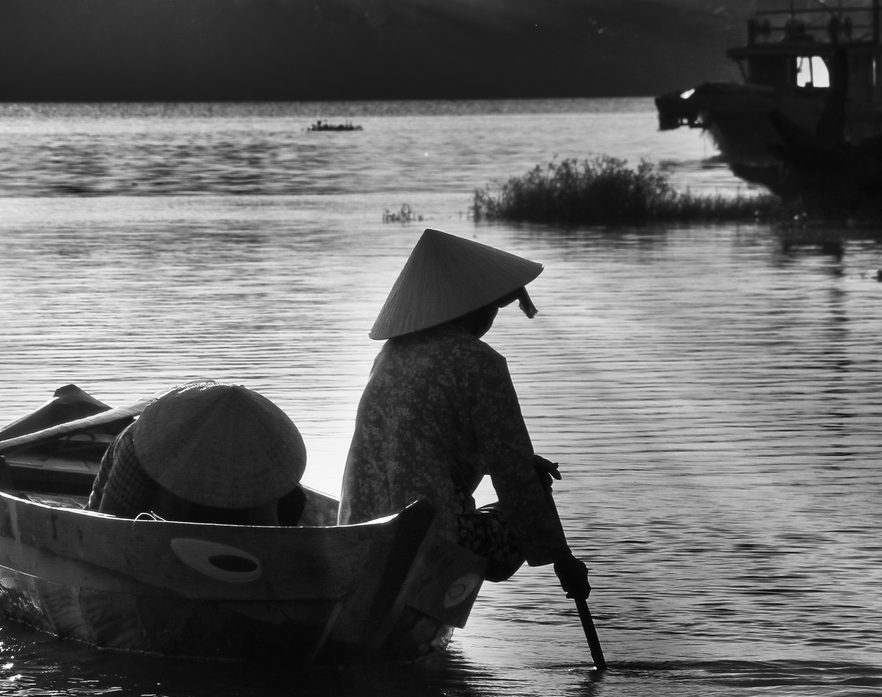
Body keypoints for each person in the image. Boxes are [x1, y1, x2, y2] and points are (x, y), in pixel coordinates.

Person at [339, 229, 591, 600]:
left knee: (523, 471)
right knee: (533, 482)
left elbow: (422, 444)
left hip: (359, 533)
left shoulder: (390, 357)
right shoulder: (479, 362)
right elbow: (514, 474)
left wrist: (504, 460)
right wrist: (562, 559)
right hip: (435, 540)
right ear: (476, 307)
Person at [88, 380, 308, 525]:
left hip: (222, 534)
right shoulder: (137, 445)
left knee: (293, 498)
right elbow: (110, 521)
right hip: (151, 526)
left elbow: (268, 528)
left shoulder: (257, 456)